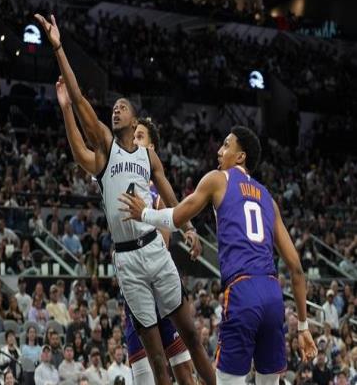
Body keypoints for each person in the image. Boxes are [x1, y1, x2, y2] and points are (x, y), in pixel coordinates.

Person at [37, 13, 210, 385]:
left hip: (155, 253)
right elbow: (80, 107)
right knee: (156, 364)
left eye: (122, 107)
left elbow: (171, 202)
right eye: (113, 106)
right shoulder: (106, 148)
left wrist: (187, 228)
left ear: (137, 124)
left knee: (190, 344)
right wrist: (59, 49)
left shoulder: (149, 160)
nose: (115, 109)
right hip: (128, 260)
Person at [120, 126, 318, 384]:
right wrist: (303, 326)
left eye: (226, 145)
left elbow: (178, 216)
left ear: (241, 156)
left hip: (242, 290)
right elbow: (297, 269)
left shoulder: (218, 179)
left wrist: (144, 213)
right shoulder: (269, 199)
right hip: (273, 294)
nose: (219, 151)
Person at [55, 81, 195, 385]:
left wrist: (149, 227)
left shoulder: (157, 193)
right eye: (135, 135)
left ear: (150, 148)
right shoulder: (114, 166)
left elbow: (163, 242)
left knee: (184, 371)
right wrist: (67, 109)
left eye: (141, 136)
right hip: (134, 281)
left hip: (158, 284)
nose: (134, 141)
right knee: (147, 375)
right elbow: (81, 153)